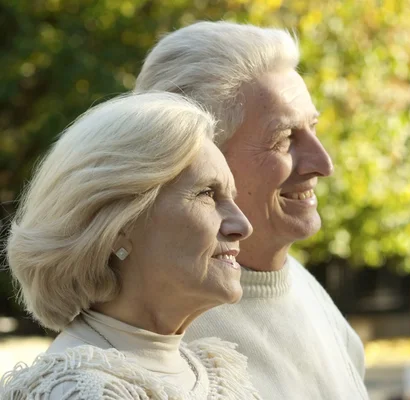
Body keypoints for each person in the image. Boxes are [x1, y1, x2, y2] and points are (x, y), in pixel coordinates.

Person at [135, 21, 369, 399]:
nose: (323, 163)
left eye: (313, 128)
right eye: (284, 138)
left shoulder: (308, 291)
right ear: (200, 160)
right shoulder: (158, 332)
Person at [0, 92, 260, 399]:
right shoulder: (80, 390)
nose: (243, 226)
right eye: (206, 194)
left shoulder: (212, 371)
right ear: (118, 226)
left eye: (232, 197)